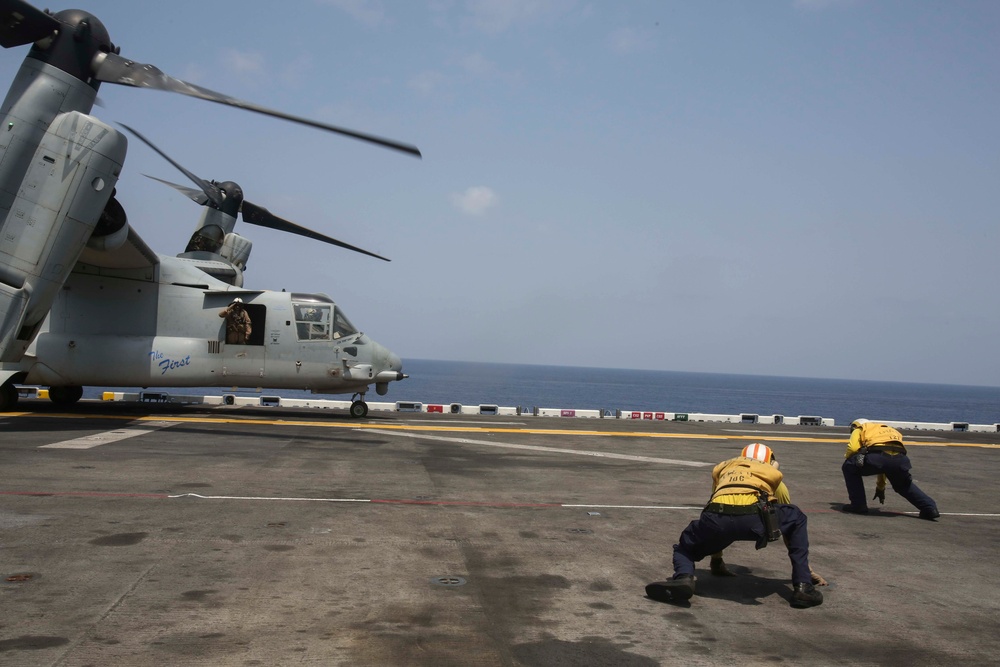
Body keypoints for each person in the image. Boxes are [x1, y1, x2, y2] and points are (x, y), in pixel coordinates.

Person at [646, 443, 823, 608]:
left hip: (716, 518)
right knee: (796, 516)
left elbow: (715, 503)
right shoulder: (775, 480)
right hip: (755, 521)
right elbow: (788, 530)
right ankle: (803, 588)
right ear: (771, 462)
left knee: (685, 548)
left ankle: (684, 577)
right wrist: (807, 572)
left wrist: (716, 560)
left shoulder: (726, 471)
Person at [841, 419, 940, 520]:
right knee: (904, 484)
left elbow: (853, 448)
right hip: (900, 460)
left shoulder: (860, 429)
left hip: (878, 458)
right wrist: (880, 487)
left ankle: (858, 505)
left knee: (849, 466)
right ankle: (929, 508)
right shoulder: (887, 430)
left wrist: (850, 459)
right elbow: (885, 465)